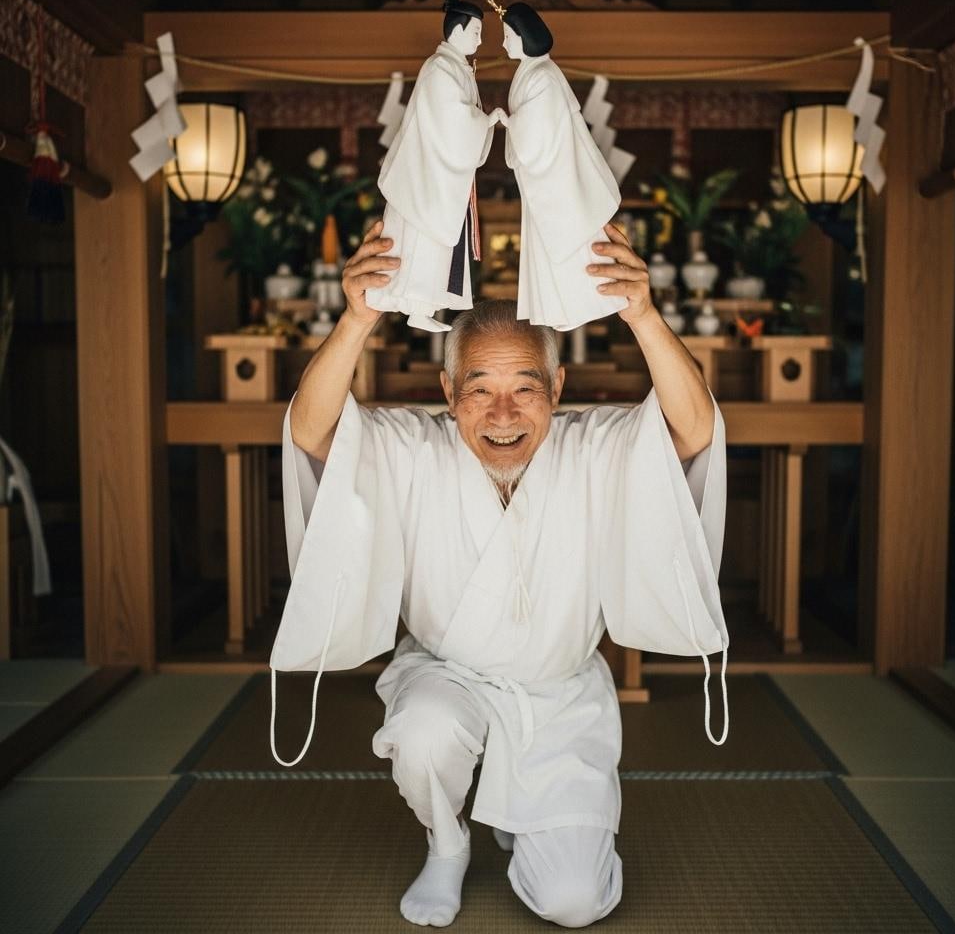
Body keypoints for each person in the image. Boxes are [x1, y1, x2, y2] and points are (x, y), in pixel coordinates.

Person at [274, 220, 730, 927]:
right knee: (424, 732)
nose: (504, 413)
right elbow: (310, 432)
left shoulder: (595, 446)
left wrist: (643, 313)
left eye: (526, 386)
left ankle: (531, 814)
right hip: (446, 676)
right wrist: (357, 317)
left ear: (559, 383)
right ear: (447, 387)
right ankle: (447, 840)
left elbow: (695, 430)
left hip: (558, 696)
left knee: (575, 902)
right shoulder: (413, 448)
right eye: (479, 388)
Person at [365, 0, 501, 332]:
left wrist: (481, 120)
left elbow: (459, 118)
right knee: (422, 244)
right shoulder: (441, 68)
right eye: (475, 32)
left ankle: (423, 305)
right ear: (457, 30)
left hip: (442, 178)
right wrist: (484, 119)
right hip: (429, 180)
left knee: (435, 246)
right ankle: (416, 305)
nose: (479, 40)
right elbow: (452, 119)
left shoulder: (456, 68)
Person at [497, 0, 629, 331]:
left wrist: (509, 123)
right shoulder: (536, 73)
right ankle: (561, 308)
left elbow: (537, 131)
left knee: (566, 247)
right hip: (548, 179)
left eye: (508, 36)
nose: (503, 43)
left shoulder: (542, 76)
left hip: (558, 182)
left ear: (523, 36)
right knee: (553, 248)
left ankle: (576, 305)